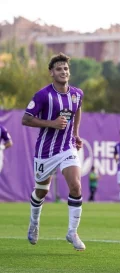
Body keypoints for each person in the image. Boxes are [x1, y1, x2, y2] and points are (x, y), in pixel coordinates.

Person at [22, 53, 86, 251]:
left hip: (67, 148)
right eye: (59, 69)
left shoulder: (77, 94)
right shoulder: (43, 95)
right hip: (45, 151)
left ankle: (72, 232)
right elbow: (26, 119)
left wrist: (75, 134)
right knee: (41, 191)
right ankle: (34, 223)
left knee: (76, 186)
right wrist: (51, 123)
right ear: (52, 73)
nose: (63, 72)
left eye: (66, 68)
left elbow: (78, 110)